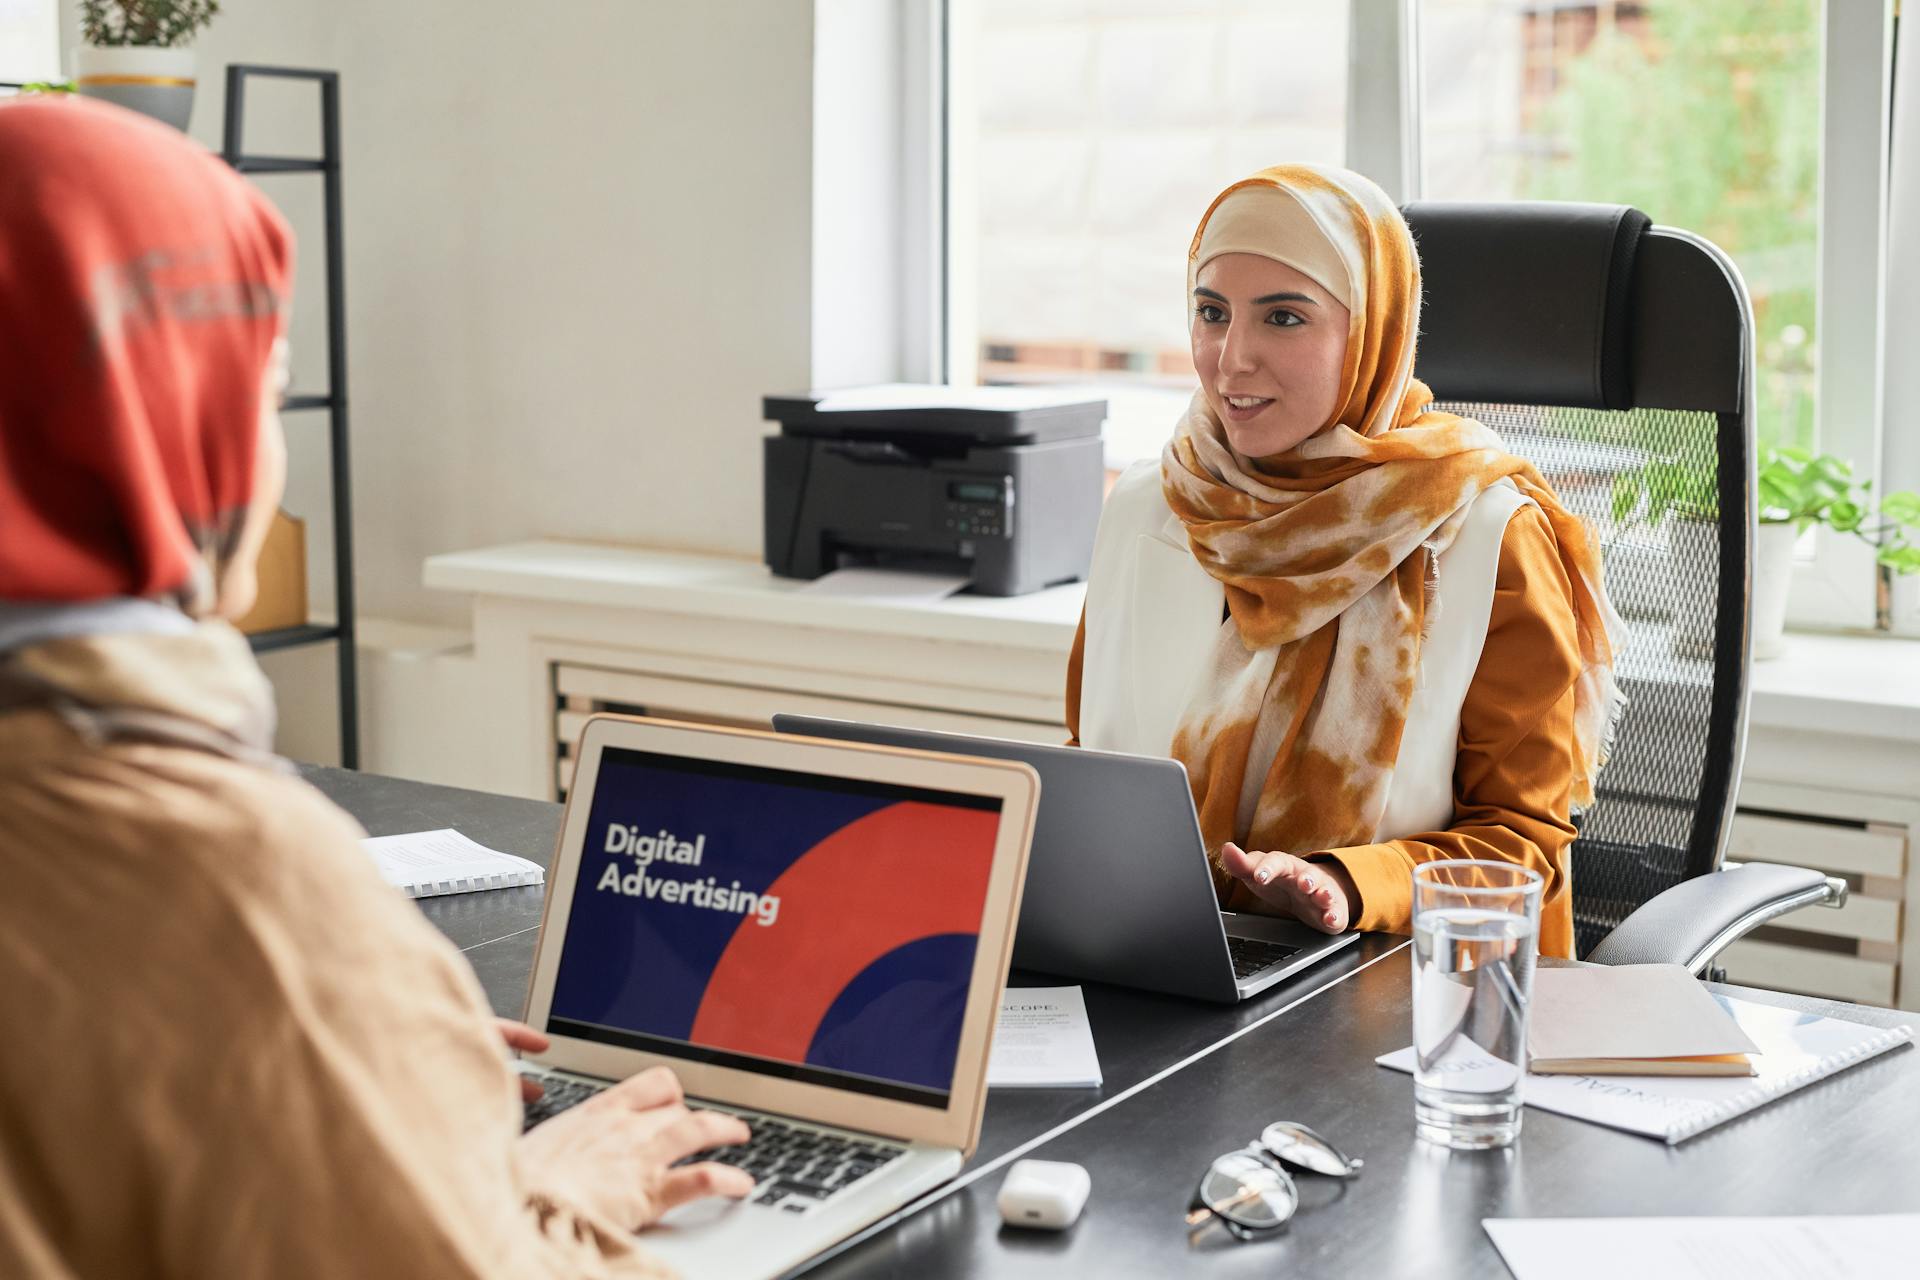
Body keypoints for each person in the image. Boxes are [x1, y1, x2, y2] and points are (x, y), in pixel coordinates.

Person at [0, 97, 749, 1278]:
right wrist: (541, 1190)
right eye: (262, 386)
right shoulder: (209, 869)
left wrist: (381, 1067)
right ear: (161, 417)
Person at [1065, 164, 1624, 959]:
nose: (1231, 361)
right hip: (1154, 966)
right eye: (1211, 312)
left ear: (1372, 334)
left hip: (1399, 987)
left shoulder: (1489, 534)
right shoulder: (1149, 506)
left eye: (1284, 317)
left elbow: (1522, 852)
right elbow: (1091, 761)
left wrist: (1353, 883)